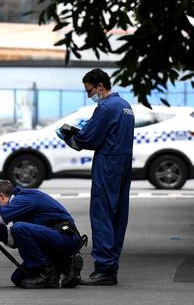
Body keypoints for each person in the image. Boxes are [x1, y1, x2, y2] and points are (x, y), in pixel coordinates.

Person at [59, 68, 134, 286]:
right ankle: (112, 266)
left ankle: (104, 269)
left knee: (102, 216)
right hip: (123, 163)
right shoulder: (126, 107)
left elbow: (88, 140)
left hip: (108, 164)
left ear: (100, 86)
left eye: (89, 90)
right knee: (118, 216)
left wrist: (68, 135)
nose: (89, 95)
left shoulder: (106, 107)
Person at [0, 180, 84, 289]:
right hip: (53, 239)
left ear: (2, 196)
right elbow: (14, 241)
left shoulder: (25, 198)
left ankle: (49, 274)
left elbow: (0, 216)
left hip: (65, 237)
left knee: (18, 227)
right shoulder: (19, 204)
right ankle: (63, 265)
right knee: (18, 278)